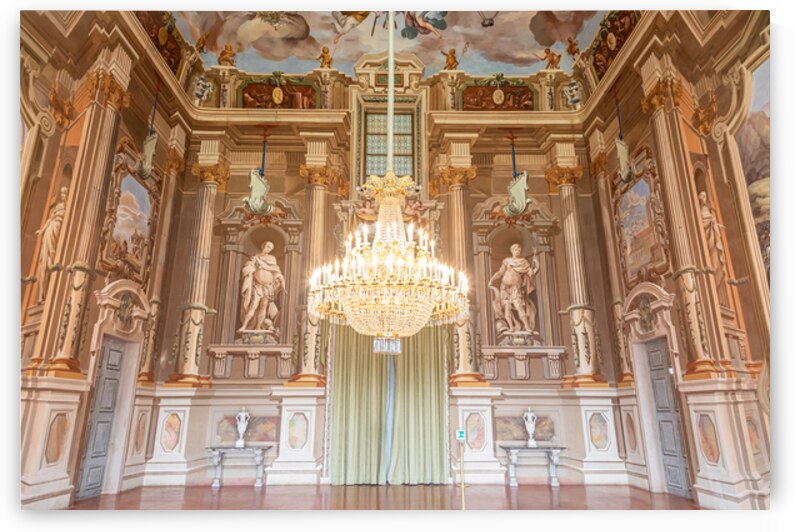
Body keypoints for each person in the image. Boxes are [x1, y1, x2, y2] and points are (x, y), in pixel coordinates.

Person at [489, 243, 540, 333]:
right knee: (507, 307)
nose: (518, 251)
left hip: (515, 288)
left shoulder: (523, 262)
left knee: (518, 306)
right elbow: (500, 273)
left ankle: (527, 327)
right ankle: (511, 327)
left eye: (519, 250)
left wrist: (536, 263)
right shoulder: (507, 261)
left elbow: (531, 273)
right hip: (504, 288)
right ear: (512, 250)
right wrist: (491, 280)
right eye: (516, 249)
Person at [239, 241, 285, 333]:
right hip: (257, 286)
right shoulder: (255, 257)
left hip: (268, 287)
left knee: (263, 307)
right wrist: (250, 270)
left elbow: (276, 271)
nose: (268, 249)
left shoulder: (272, 259)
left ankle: (258, 327)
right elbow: (247, 267)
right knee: (254, 305)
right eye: (267, 246)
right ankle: (244, 326)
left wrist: (281, 282)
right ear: (263, 246)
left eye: (270, 248)